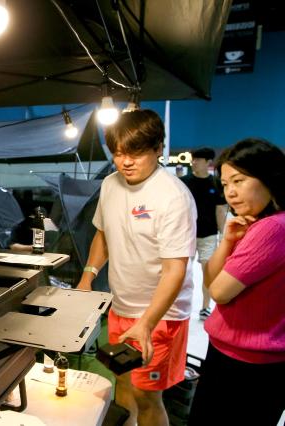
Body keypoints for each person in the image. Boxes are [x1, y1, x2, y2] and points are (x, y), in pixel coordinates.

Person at [77, 109, 197, 426]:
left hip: (161, 316)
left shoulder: (173, 197)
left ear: (158, 148)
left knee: (148, 397)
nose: (125, 162)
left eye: (135, 153)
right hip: (121, 307)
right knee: (123, 382)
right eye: (117, 153)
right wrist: (87, 277)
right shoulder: (110, 185)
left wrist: (146, 323)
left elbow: (176, 270)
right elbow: (103, 234)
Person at [188, 138, 285, 426]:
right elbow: (210, 279)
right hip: (247, 357)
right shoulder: (263, 223)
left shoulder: (271, 229)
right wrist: (228, 239)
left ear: (269, 177)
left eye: (239, 181)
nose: (230, 192)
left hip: (247, 364)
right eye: (226, 184)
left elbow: (218, 291)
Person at [180, 147, 228, 320]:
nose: (193, 162)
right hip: (187, 235)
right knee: (182, 272)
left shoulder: (216, 183)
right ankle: (179, 305)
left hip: (208, 236)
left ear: (208, 163)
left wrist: (223, 235)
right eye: (193, 159)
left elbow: (221, 210)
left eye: (198, 160)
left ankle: (205, 307)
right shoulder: (184, 182)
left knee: (208, 271)